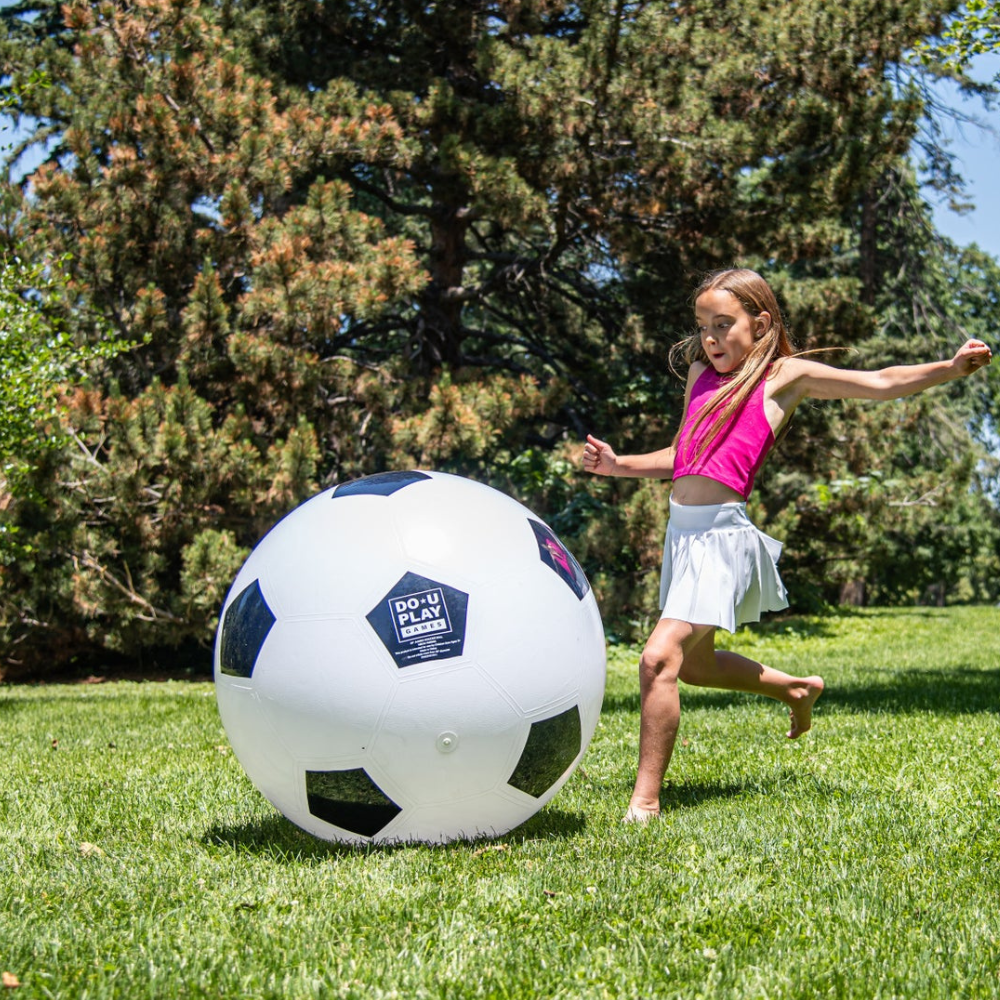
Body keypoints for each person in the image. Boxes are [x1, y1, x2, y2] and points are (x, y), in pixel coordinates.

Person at [582, 267, 992, 822]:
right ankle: (797, 689)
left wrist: (948, 368)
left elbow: (878, 381)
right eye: (702, 325)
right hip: (682, 534)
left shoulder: (784, 376)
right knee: (695, 666)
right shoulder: (700, 375)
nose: (709, 338)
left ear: (761, 322)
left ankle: (645, 803)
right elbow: (684, 455)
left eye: (723, 324)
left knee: (658, 659)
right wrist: (617, 465)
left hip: (722, 537)